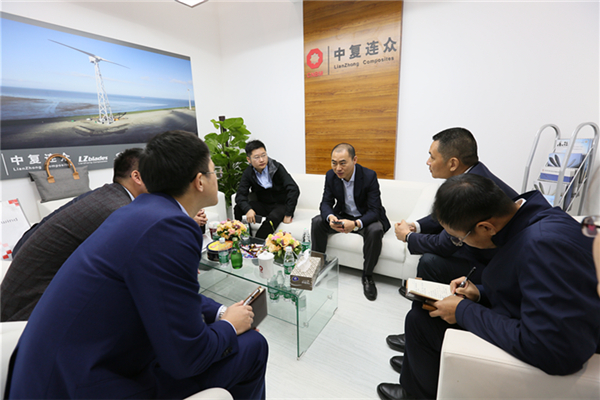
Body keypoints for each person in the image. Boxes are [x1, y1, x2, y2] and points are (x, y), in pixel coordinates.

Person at [6, 130, 268, 400]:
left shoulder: (136, 212)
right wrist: (229, 326)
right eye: (215, 172)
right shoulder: (169, 227)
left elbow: (163, 292)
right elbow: (187, 358)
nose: (217, 178)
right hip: (84, 385)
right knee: (253, 345)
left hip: (52, 372)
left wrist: (222, 313)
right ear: (199, 181)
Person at [377, 174, 600, 400]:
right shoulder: (535, 216)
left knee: (420, 322)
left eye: (459, 239)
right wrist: (479, 293)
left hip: (543, 346)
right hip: (523, 315)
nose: (461, 243)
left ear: (485, 227)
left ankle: (415, 393)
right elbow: (529, 289)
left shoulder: (543, 247)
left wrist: (463, 311)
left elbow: (552, 349)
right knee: (422, 314)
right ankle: (420, 373)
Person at [386, 128, 518, 354]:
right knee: (429, 263)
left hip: (493, 268)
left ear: (453, 163)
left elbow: (446, 242)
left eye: (432, 156)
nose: (427, 162)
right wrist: (416, 226)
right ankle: (420, 335)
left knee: (430, 262)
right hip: (482, 256)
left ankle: (423, 337)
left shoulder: (473, 188)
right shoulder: (471, 177)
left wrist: (408, 237)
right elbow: (441, 218)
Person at [1, 148, 147, 322]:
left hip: (20, 297)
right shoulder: (118, 210)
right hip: (31, 310)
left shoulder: (105, 195)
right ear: (137, 177)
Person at [311, 143, 390, 301]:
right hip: (343, 215)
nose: (338, 168)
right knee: (318, 221)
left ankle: (367, 276)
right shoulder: (331, 175)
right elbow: (325, 203)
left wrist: (355, 224)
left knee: (375, 230)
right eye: (334, 163)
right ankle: (318, 265)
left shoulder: (369, 176)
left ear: (354, 160)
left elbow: (374, 210)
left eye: (342, 163)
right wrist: (331, 217)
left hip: (365, 217)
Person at [234, 140, 300, 239]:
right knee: (238, 208)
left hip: (281, 205)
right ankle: (245, 237)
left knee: (272, 218)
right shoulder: (248, 173)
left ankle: (257, 242)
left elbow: (293, 189)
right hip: (264, 204)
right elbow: (240, 195)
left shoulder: (276, 167)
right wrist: (248, 209)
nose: (261, 160)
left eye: (263, 155)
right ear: (249, 159)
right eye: (256, 157)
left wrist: (288, 214)